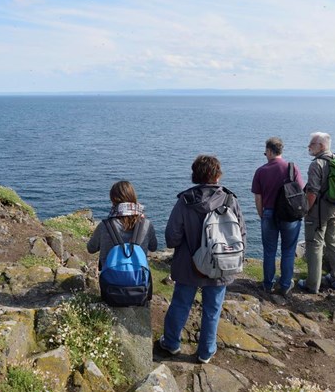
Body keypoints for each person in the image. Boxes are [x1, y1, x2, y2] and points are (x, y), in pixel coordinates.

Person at [159, 155, 246, 364]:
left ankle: (171, 343)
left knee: (180, 304)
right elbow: (241, 234)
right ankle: (206, 351)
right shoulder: (229, 199)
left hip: (189, 265)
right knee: (213, 309)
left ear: (195, 175)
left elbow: (172, 237)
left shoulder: (185, 201)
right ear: (217, 175)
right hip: (220, 263)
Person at [251, 137, 304, 296]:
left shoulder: (261, 171)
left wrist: (262, 215)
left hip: (269, 213)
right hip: (289, 215)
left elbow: (258, 197)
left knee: (269, 251)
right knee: (288, 250)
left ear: (269, 151)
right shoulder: (292, 168)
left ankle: (268, 284)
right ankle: (286, 285)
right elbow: (300, 190)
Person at [298, 132, 335, 293]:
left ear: (322, 146)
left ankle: (312, 284)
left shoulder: (316, 164)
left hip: (317, 212)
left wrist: (305, 210)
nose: (309, 147)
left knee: (314, 246)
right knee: (333, 242)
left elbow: (312, 192)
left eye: (312, 144)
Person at [87, 180, 158, 269]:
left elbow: (91, 248)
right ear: (133, 197)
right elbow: (153, 247)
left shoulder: (104, 226)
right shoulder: (146, 224)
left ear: (113, 200)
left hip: (111, 279)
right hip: (139, 278)